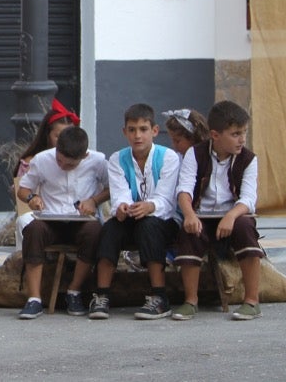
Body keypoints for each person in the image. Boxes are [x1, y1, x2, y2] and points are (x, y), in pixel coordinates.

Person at [171, 100, 264, 321]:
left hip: (234, 217)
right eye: (235, 134)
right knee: (189, 231)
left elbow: (249, 198)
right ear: (215, 135)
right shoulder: (195, 154)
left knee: (245, 227)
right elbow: (184, 190)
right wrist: (190, 215)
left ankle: (252, 301)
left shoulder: (249, 159)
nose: (242, 139)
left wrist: (231, 216)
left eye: (243, 133)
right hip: (202, 216)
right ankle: (190, 301)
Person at [89, 103, 182, 320]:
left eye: (143, 129)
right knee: (111, 227)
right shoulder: (117, 159)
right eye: (132, 130)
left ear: (154, 131)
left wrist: (149, 206)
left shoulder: (168, 157)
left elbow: (166, 199)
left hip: (163, 220)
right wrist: (121, 207)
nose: (137, 135)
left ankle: (159, 296)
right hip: (132, 218)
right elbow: (120, 193)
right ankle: (101, 295)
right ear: (124, 132)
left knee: (149, 226)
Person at [15, 126, 109, 319]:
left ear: (84, 156)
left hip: (81, 220)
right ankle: (34, 298)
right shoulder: (42, 159)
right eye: (59, 160)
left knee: (94, 230)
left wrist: (94, 201)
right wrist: (32, 197)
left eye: (69, 165)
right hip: (51, 218)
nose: (62, 166)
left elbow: (111, 188)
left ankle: (73, 292)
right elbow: (22, 189)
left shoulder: (98, 161)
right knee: (34, 229)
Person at [13, 98, 80, 247]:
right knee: (26, 222)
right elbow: (23, 192)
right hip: (45, 214)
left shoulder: (91, 161)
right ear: (47, 134)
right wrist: (32, 198)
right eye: (58, 136)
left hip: (76, 216)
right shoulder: (37, 161)